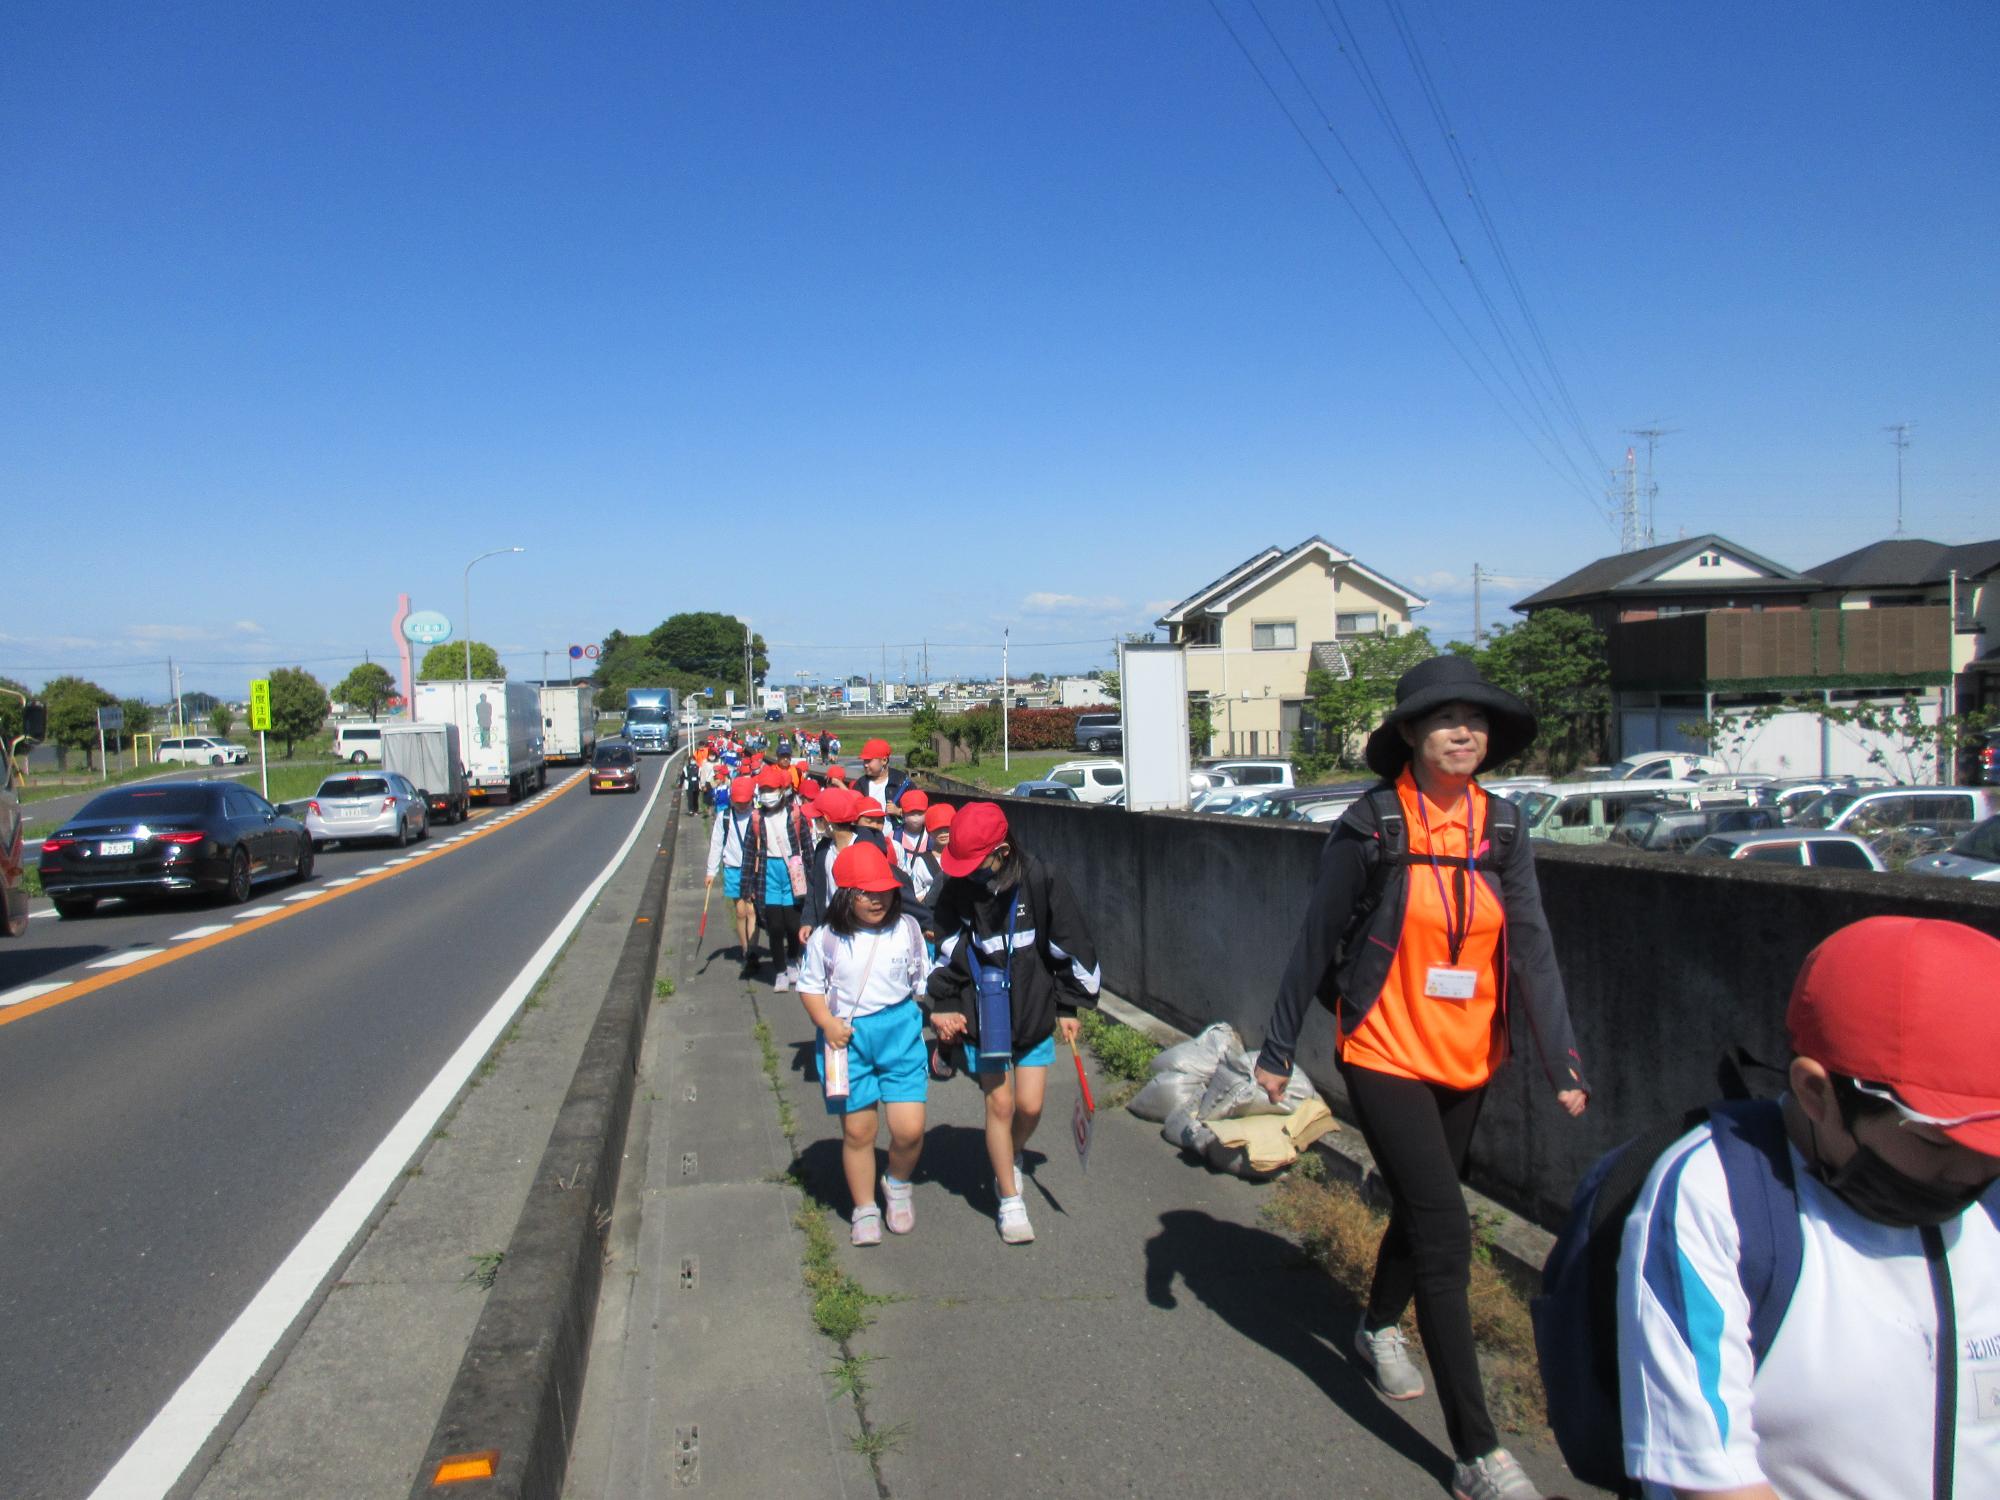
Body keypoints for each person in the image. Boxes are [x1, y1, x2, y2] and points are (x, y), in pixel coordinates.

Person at [1252, 654, 1588, 1500]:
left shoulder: (1503, 829)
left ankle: (1373, 1326)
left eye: (1475, 721)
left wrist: (1564, 1060)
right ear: (1409, 734)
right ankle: (1477, 1452)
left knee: (1420, 1203)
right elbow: (1313, 936)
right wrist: (1277, 1046)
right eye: (1444, 720)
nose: (1463, 732)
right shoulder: (1374, 826)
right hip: (1383, 1050)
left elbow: (1534, 948)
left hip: (1472, 1055)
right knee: (1447, 1229)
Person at [1616, 915, 2000, 1500]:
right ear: (1816, 1091)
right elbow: (1713, 1479)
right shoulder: (1716, 1197)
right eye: (1937, 1143)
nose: (1975, 1173)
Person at [927, 801, 1101, 1245]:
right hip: (983, 1014)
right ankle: (1009, 1200)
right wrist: (944, 1001)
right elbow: (946, 951)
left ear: (1002, 851)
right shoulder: (957, 890)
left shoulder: (1042, 880)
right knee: (999, 1106)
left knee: (1030, 1107)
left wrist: (1069, 1007)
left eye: (976, 861)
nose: (968, 871)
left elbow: (1070, 944)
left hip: (1034, 1012)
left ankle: (1013, 1151)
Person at [797, 841, 934, 1246]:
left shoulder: (907, 929)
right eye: (864, 893)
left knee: (909, 1129)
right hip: (848, 1040)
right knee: (859, 1131)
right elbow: (810, 988)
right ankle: (864, 1206)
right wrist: (826, 1022)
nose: (876, 900)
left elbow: (921, 983)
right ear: (845, 896)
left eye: (883, 890)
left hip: (901, 1034)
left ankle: (897, 1181)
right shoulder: (826, 938)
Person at [744, 764, 813, 991]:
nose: (766, 794)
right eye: (762, 789)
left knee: (793, 924)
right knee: (774, 926)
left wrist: (813, 879)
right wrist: (747, 886)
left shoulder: (795, 815)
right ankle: (780, 970)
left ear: (783, 790)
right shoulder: (756, 819)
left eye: (770, 789)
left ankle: (794, 959)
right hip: (767, 874)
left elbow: (807, 847)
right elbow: (749, 853)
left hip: (792, 873)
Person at [705, 774, 759, 971]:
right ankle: (745, 949)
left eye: (745, 802)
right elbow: (716, 844)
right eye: (738, 801)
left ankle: (752, 950)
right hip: (733, 868)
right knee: (741, 911)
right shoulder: (724, 817)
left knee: (753, 910)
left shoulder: (756, 816)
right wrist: (711, 871)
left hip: (753, 869)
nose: (742, 806)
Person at [851, 737, 909, 810]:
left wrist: (899, 811)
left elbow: (915, 813)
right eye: (864, 761)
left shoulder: (902, 781)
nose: (865, 764)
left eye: (869, 761)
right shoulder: (860, 784)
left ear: (884, 761)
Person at [891, 788, 931, 871]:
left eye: (920, 812)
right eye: (911, 812)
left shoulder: (932, 837)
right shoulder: (893, 837)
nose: (916, 817)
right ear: (902, 813)